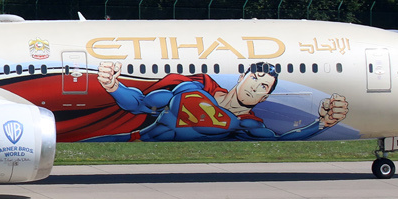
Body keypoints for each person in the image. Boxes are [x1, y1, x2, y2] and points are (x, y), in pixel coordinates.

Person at [93, 61, 348, 142]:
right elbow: (140, 105)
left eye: (263, 86)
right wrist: (113, 86)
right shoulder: (193, 89)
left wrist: (323, 124)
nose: (254, 87)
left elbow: (282, 138)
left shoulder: (247, 125)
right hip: (126, 137)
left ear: (265, 97)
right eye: (254, 78)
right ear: (242, 76)